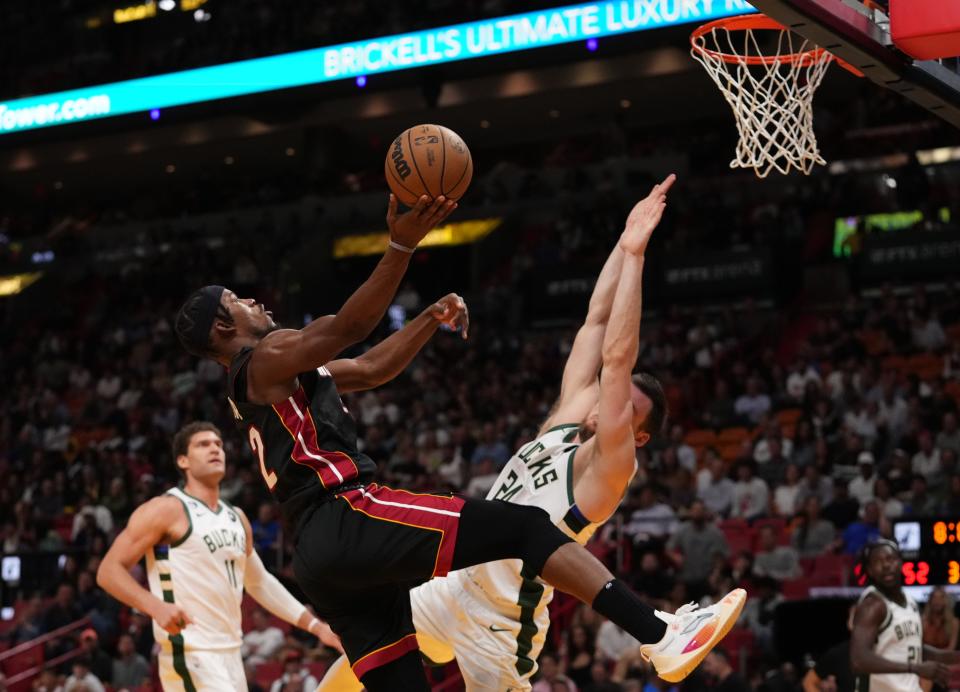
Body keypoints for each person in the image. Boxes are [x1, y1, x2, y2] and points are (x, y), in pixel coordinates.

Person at [174, 187, 742, 690]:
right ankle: (658, 634)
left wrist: (427, 318)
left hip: (325, 560)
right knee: (525, 527)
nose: (256, 302)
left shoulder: (277, 375)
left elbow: (369, 368)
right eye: (240, 302)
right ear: (225, 328)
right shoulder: (265, 357)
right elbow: (347, 328)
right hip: (345, 512)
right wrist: (401, 246)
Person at [97, 422, 340, 690]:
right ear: (183, 460)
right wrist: (154, 606)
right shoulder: (166, 509)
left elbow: (260, 583)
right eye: (203, 445)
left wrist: (318, 628)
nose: (214, 449)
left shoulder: (237, 517)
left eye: (218, 444)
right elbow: (108, 571)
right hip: (192, 651)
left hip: (231, 652)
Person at [850, 539, 960, 691]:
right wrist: (914, 668)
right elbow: (859, 661)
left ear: (901, 562)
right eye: (878, 561)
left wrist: (954, 657)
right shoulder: (873, 605)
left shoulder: (910, 602)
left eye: (890, 559)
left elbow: (914, 649)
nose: (886, 565)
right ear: (870, 570)